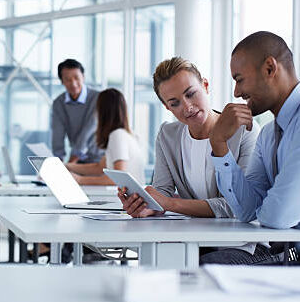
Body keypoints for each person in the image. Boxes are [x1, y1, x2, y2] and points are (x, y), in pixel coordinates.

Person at [118, 57, 273, 265]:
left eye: (191, 94)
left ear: (205, 86)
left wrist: (170, 203)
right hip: (196, 241)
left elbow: (237, 206)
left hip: (244, 245)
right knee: (157, 265)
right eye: (175, 103)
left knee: (187, 270)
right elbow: (162, 190)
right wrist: (149, 206)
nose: (187, 107)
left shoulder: (245, 130)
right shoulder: (167, 135)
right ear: (167, 107)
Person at [209, 31, 300, 258]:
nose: (236, 92)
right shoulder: (269, 133)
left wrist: (266, 206)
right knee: (198, 268)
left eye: (239, 79)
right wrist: (219, 143)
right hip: (286, 257)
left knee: (203, 270)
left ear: (270, 68)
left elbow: (278, 216)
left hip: (290, 259)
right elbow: (248, 210)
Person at [66, 88, 145, 185]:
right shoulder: (128, 134)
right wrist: (67, 166)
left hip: (127, 198)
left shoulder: (117, 135)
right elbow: (99, 167)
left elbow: (119, 178)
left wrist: (80, 180)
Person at [51, 59, 103, 163]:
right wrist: (57, 163)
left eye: (76, 78)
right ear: (62, 81)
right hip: (78, 159)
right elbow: (57, 133)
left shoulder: (98, 98)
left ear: (83, 77)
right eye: (68, 79)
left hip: (100, 158)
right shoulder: (58, 103)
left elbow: (88, 130)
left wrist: (71, 162)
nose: (73, 84)